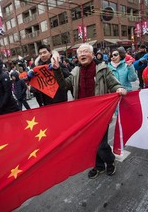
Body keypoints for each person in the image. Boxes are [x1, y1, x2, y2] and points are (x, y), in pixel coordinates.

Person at [52, 43, 127, 179]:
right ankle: (98, 166)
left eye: (86, 51)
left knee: (101, 144)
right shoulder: (75, 72)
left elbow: (113, 83)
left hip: (100, 114)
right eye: (80, 52)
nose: (82, 54)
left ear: (92, 55)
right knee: (89, 143)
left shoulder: (103, 69)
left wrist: (119, 88)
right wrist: (57, 70)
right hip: (82, 116)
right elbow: (63, 85)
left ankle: (110, 161)